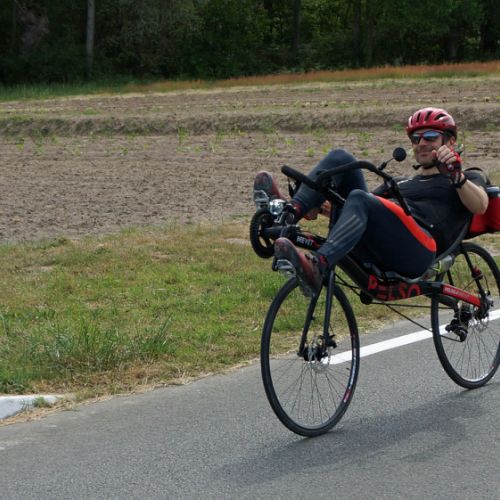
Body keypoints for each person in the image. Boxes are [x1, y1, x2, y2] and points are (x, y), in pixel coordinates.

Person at [253, 107, 489, 297]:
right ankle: (286, 214)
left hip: (420, 249)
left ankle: (319, 264)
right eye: (416, 138)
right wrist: (319, 205)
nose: (421, 143)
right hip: (379, 246)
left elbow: (480, 205)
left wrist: (456, 175)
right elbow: (358, 211)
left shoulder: (464, 178)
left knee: (360, 198)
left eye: (430, 136)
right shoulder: (401, 183)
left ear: (449, 142)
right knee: (341, 158)